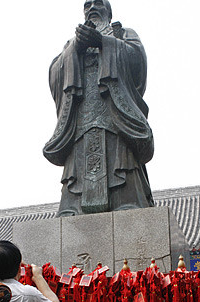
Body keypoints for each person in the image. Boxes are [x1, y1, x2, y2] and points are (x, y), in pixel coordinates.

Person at [43, 0, 154, 216]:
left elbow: (138, 63)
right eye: (87, 4)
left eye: (98, 3)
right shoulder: (71, 44)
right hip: (82, 116)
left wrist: (105, 42)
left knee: (122, 160)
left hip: (115, 113)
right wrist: (75, 49)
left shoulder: (123, 34)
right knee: (78, 164)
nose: (92, 7)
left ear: (108, 11)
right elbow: (55, 72)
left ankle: (128, 199)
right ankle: (72, 206)